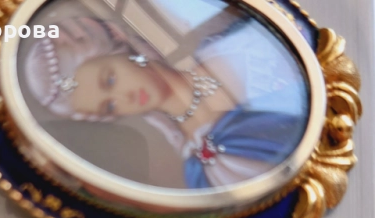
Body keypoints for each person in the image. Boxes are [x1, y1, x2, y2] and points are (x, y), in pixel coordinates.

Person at [24, 8, 308, 190]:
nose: (124, 97)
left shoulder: (236, 47)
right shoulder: (198, 162)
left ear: (120, 48)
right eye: (109, 105)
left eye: (110, 79)